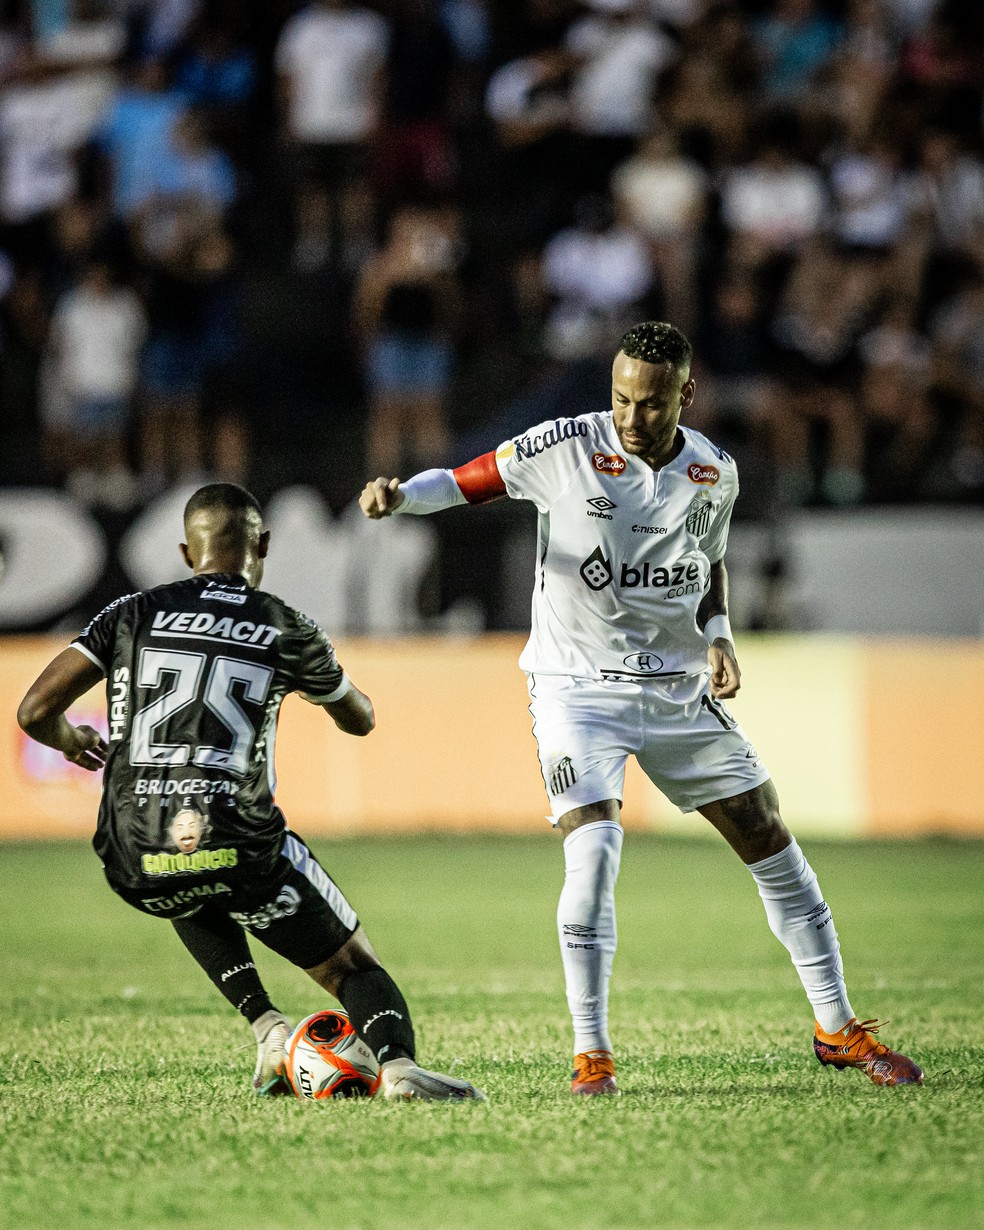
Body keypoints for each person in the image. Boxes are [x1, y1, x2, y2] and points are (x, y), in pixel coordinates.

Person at [359, 320, 923, 1094]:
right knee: (592, 856)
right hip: (577, 688)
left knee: (768, 836)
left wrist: (719, 636)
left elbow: (709, 559)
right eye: (620, 398)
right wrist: (401, 496)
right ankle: (592, 1056)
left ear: (685, 395)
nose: (629, 417)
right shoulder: (564, 446)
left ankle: (836, 1028)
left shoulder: (714, 471)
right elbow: (465, 480)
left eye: (649, 405)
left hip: (677, 685)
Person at [17, 483, 485, 1103]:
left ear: (186, 553)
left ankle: (267, 1029)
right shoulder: (284, 624)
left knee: (183, 873)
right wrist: (324, 686)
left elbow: (33, 710)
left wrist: (72, 739)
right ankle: (399, 1070)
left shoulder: (128, 612)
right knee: (351, 966)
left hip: (132, 852)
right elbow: (360, 718)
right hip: (241, 839)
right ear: (262, 545)